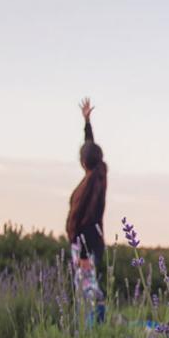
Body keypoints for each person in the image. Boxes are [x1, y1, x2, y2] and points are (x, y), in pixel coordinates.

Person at [66, 98, 108, 304]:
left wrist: (83, 255)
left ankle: (92, 329)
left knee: (88, 291)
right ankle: (91, 326)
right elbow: (90, 148)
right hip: (90, 245)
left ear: (83, 162)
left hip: (86, 246)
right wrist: (87, 122)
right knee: (86, 288)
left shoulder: (89, 191)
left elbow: (86, 224)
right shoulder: (99, 175)